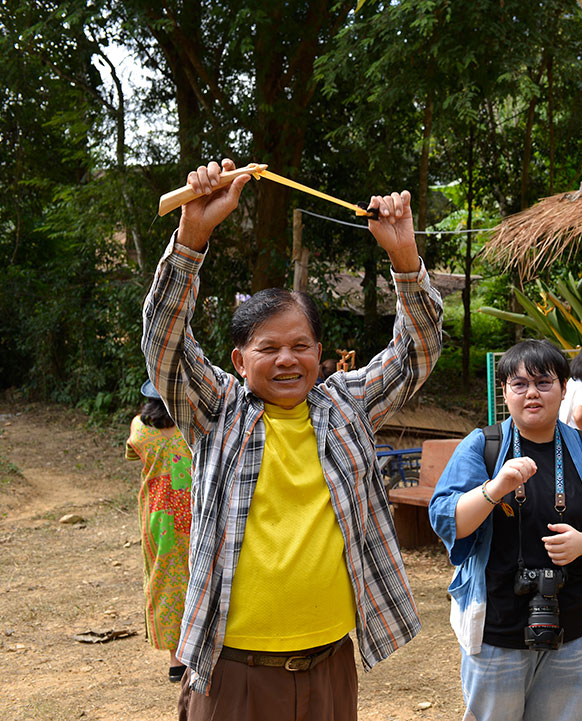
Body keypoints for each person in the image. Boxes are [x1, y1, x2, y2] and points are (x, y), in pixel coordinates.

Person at [142, 159, 443, 721]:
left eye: (300, 346)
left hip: (330, 665)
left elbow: (416, 353)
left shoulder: (346, 407)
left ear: (319, 354)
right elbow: (165, 343)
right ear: (240, 360)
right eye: (268, 348)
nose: (287, 359)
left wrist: (404, 256)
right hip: (234, 670)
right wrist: (192, 237)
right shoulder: (217, 411)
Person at [428, 338, 582, 721]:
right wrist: (494, 490)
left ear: (564, 388)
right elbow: (447, 518)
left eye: (543, 382)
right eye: (519, 384)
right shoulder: (483, 447)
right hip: (496, 627)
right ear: (504, 391)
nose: (532, 393)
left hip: (572, 627)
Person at [125, 379, 194, 683]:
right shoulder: (192, 428)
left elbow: (133, 454)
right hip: (194, 512)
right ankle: (200, 652)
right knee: (199, 577)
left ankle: (176, 660)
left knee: (164, 580)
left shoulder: (140, 429)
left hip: (158, 517)